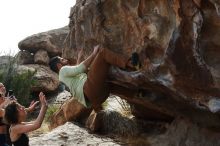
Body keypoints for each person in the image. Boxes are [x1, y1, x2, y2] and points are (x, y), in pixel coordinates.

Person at [49, 45, 136, 112]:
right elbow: (80, 69)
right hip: (90, 89)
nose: (65, 59)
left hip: (95, 100)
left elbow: (78, 72)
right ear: (59, 65)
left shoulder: (63, 77)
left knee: (109, 84)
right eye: (62, 59)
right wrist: (94, 53)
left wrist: (79, 57)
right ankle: (131, 63)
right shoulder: (63, 70)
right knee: (102, 53)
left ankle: (136, 93)